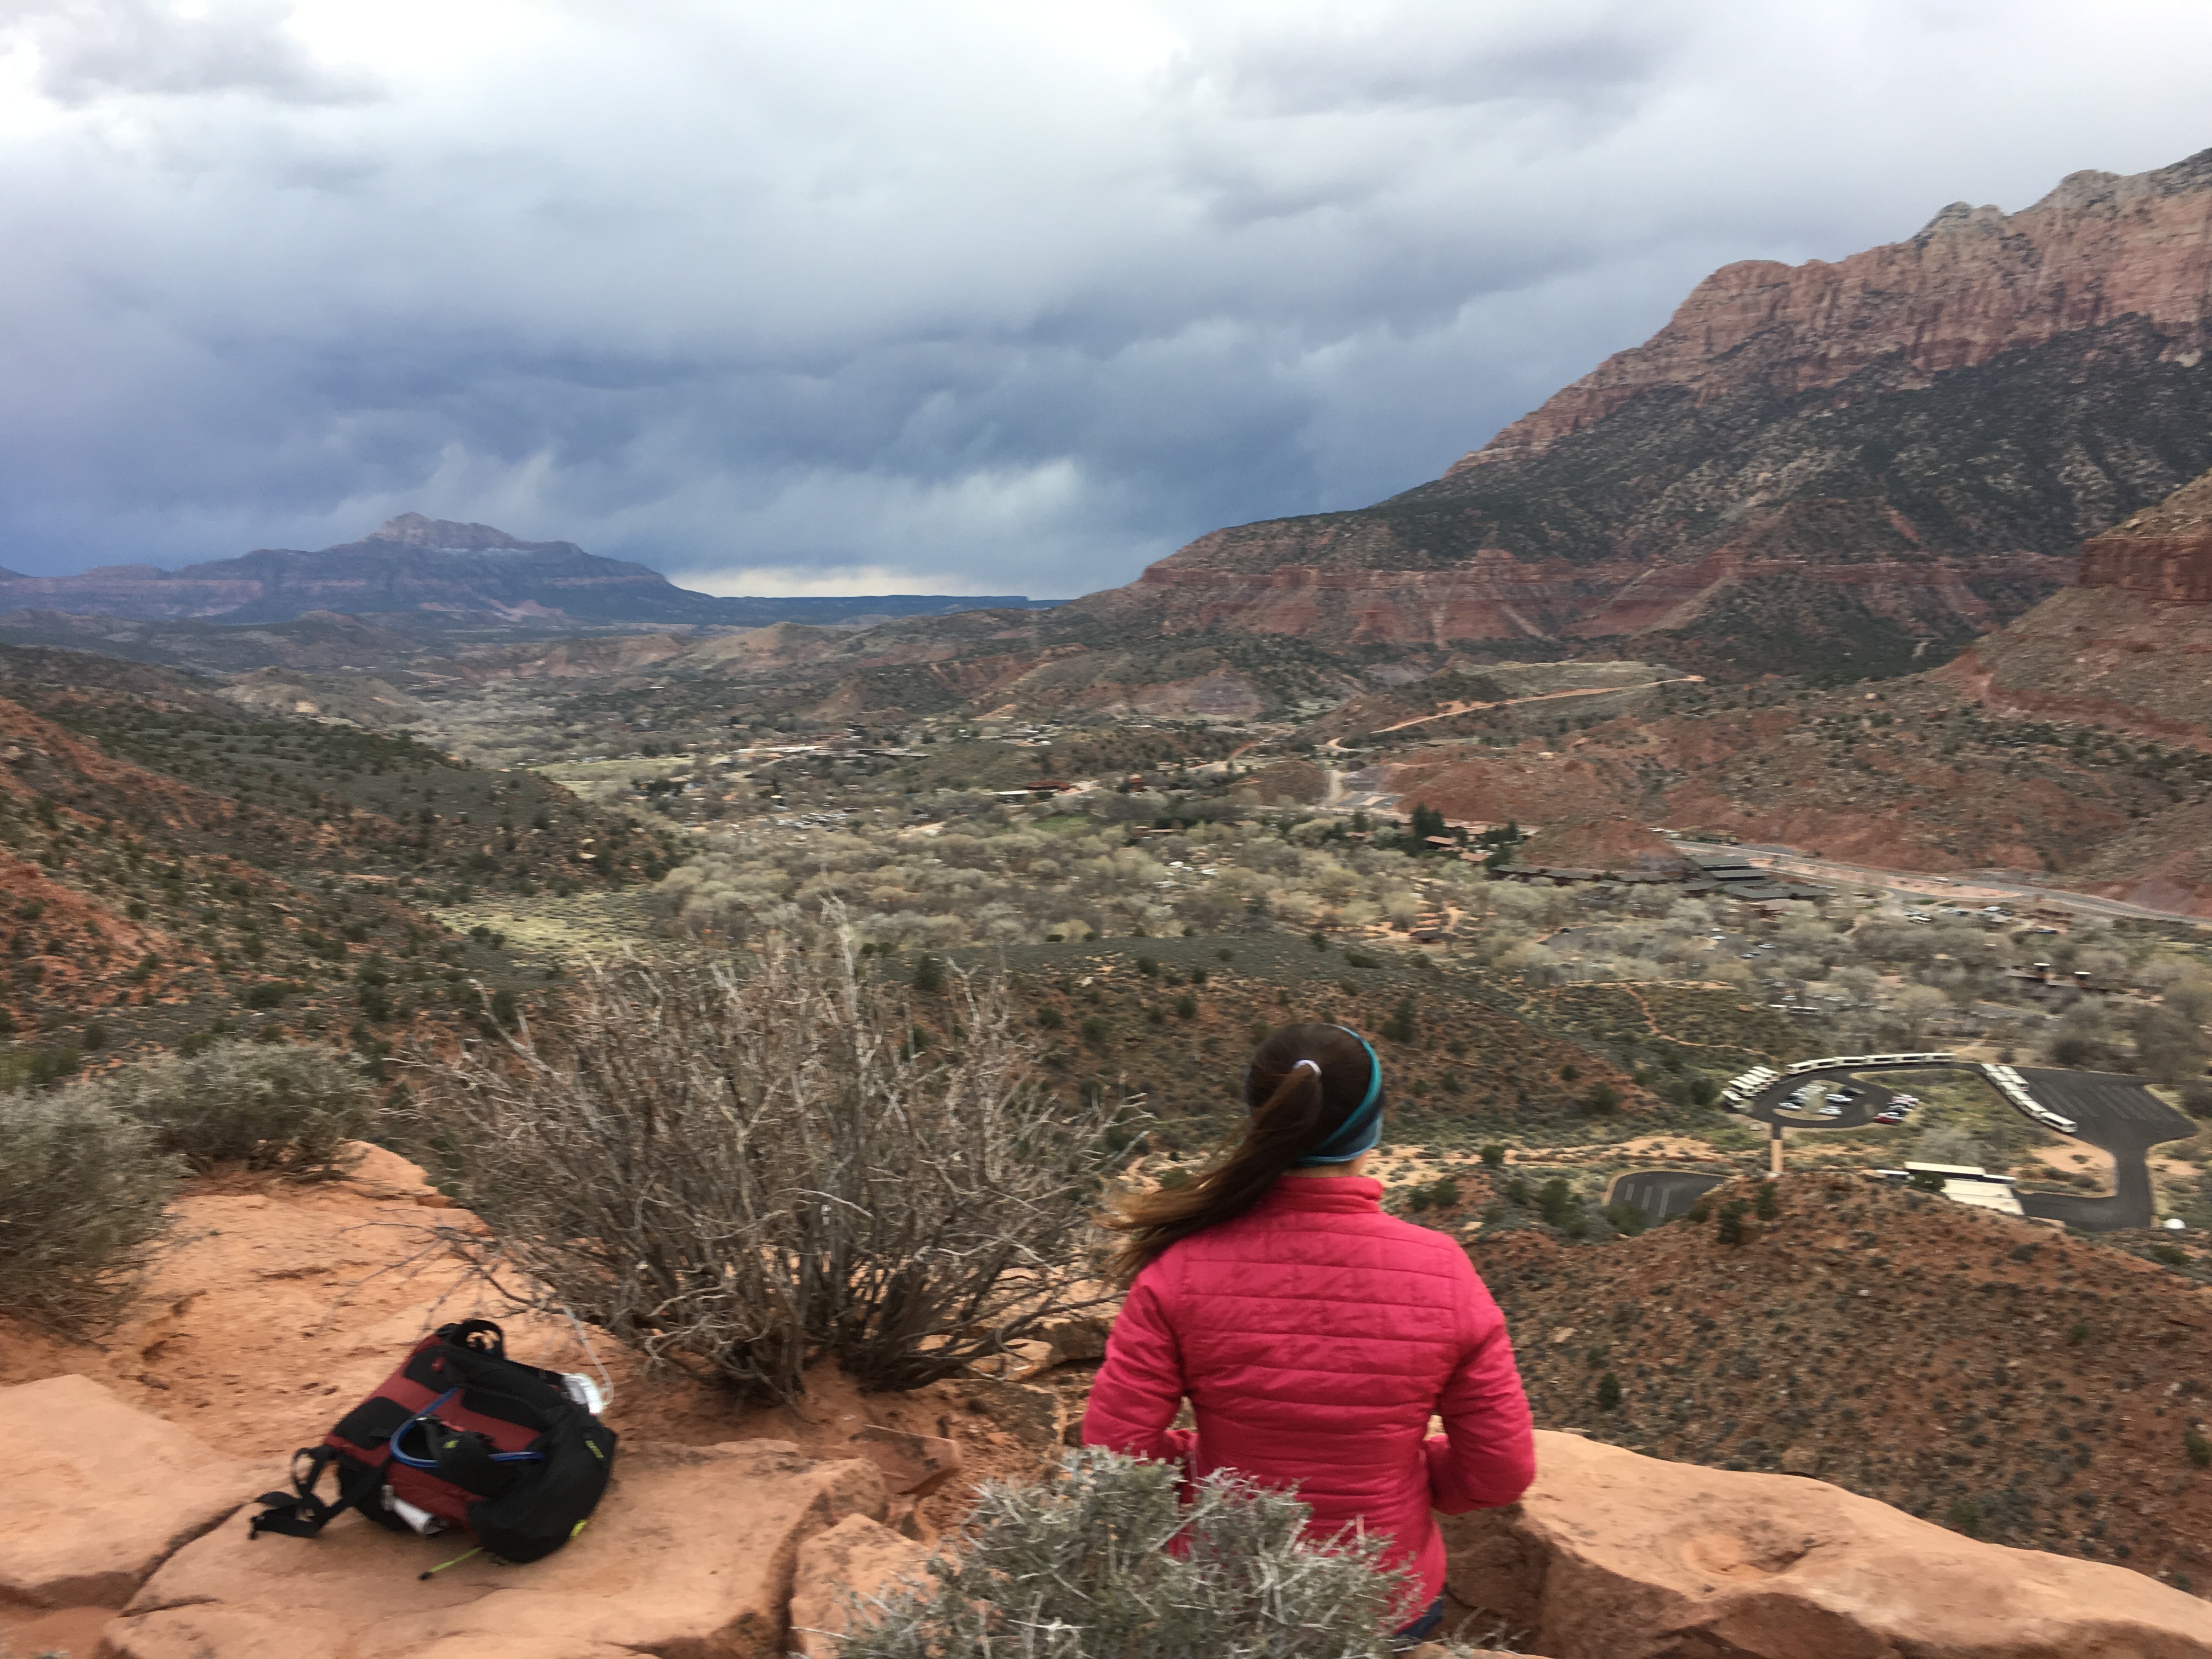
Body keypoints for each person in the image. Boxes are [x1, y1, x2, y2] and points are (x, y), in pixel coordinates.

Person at [1082, 1021, 1536, 1649]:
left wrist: (1205, 1470)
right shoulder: (1445, 1272)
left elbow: (1117, 1452)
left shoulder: (1181, 1268)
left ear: (1261, 1118)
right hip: (1382, 1598)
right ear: (1373, 1129)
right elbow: (1501, 1473)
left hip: (1223, 1593)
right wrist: (1407, 1477)